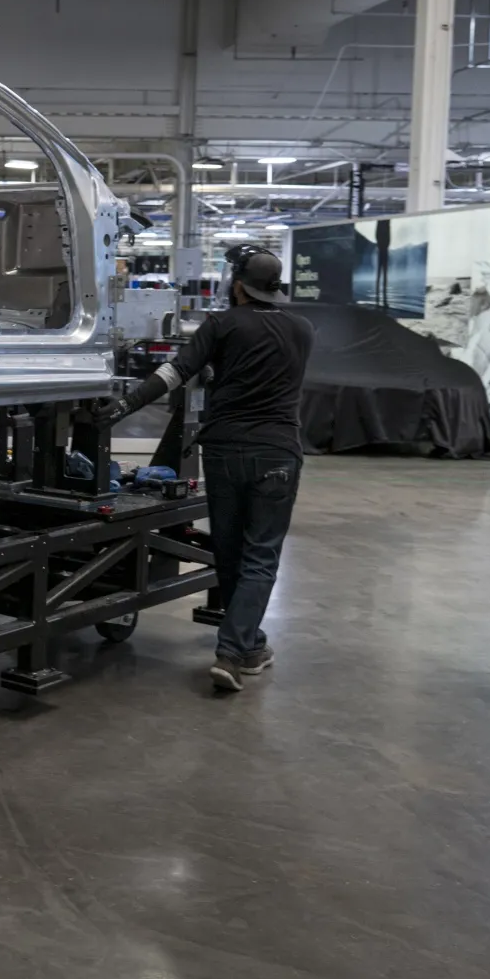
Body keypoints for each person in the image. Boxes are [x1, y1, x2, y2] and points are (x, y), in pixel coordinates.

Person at [94, 246, 314, 693]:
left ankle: (240, 648)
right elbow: (266, 372)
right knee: (260, 555)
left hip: (225, 450)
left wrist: (124, 404)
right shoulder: (303, 329)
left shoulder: (221, 325)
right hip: (276, 454)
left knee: (231, 552)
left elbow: (177, 372)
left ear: (237, 285)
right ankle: (240, 649)